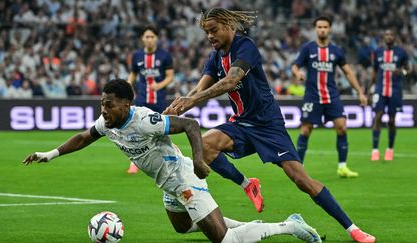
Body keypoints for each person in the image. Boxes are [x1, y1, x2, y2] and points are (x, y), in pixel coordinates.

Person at [164, 9, 375, 243]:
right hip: (242, 124)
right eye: (206, 32)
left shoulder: (245, 47)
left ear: (228, 26)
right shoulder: (214, 58)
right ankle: (248, 184)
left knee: (301, 180)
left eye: (213, 30)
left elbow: (232, 79)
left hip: (268, 125)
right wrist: (175, 109)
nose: (209, 36)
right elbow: (197, 91)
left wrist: (191, 100)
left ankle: (353, 229)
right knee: (204, 146)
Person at [22, 79, 322, 243]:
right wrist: (49, 154)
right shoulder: (108, 123)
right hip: (167, 185)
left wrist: (199, 159)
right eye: (102, 104)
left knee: (225, 241)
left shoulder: (144, 120)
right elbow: (84, 137)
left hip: (184, 178)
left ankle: (289, 225)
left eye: (109, 105)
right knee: (182, 227)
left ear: (126, 105)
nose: (103, 110)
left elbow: (190, 125)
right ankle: (247, 225)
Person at [291, 16, 368, 178]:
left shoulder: (336, 51)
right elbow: (295, 65)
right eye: (319, 27)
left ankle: (342, 167)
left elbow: (348, 72)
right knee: (305, 130)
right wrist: (298, 73)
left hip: (332, 96)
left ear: (330, 29)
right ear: (315, 29)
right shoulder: (308, 48)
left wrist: (360, 91)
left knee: (342, 127)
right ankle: (298, 170)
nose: (322, 30)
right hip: (312, 96)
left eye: (325, 27)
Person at [126, 25, 175, 174]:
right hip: (141, 99)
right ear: (142, 39)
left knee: (161, 131)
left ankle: (168, 160)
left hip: (159, 99)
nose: (149, 39)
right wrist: (127, 87)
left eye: (152, 36)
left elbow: (170, 76)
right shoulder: (137, 56)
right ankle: (134, 162)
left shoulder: (165, 56)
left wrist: (159, 85)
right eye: (147, 36)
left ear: (157, 38)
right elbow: (133, 74)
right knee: (136, 131)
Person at [368, 29, 409, 161]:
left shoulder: (401, 52)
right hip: (380, 90)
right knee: (378, 117)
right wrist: (369, 89)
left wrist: (401, 71)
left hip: (395, 90)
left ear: (395, 37)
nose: (389, 37)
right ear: (383, 37)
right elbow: (374, 72)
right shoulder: (378, 52)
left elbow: (408, 69)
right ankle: (375, 150)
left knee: (391, 120)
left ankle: (389, 150)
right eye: (387, 35)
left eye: (391, 34)